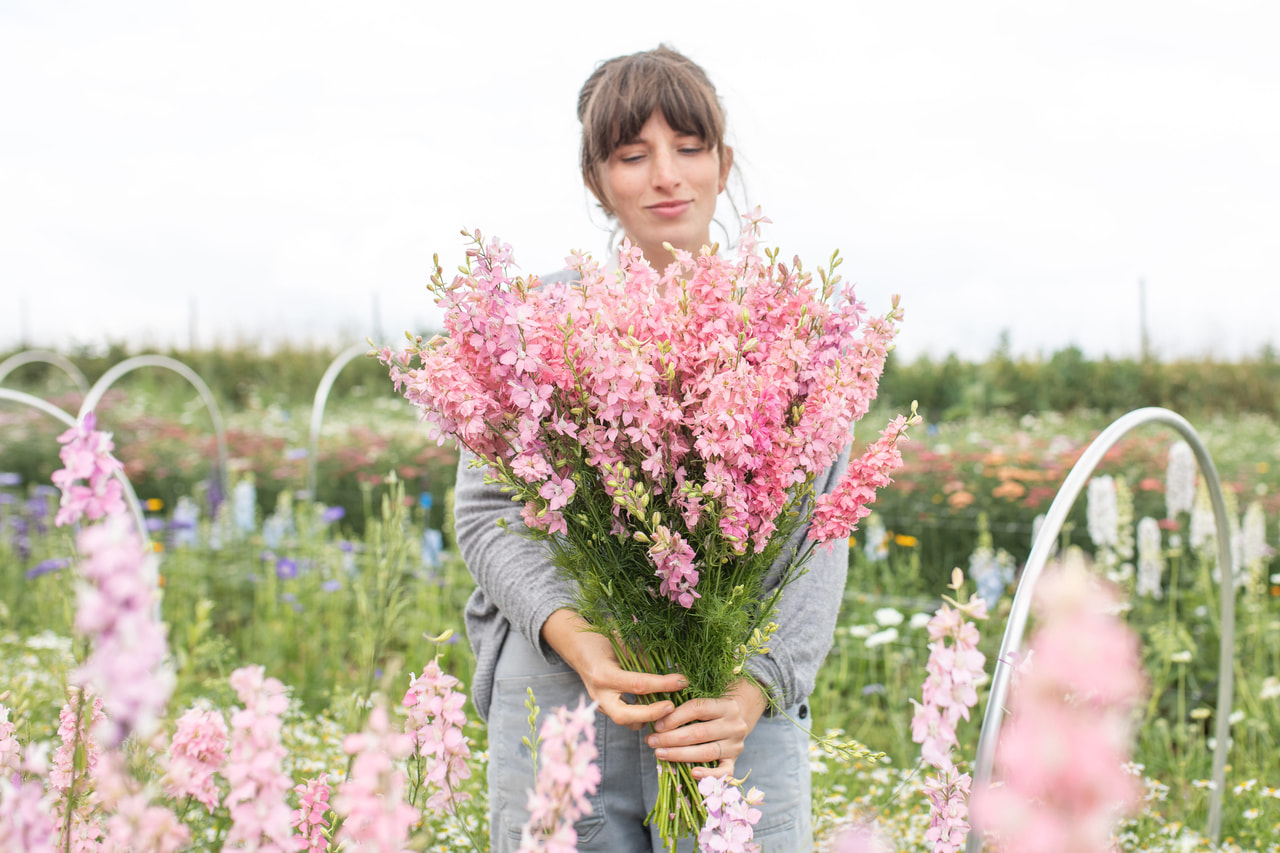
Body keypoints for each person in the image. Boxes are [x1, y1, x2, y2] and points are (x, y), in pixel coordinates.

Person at [453, 45, 850, 853]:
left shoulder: (791, 333)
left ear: (723, 164)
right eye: (633, 156)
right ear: (597, 180)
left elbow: (823, 531)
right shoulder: (535, 323)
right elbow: (488, 512)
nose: (667, 176)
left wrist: (754, 690)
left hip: (731, 718)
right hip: (562, 702)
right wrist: (582, 642)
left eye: (690, 148)